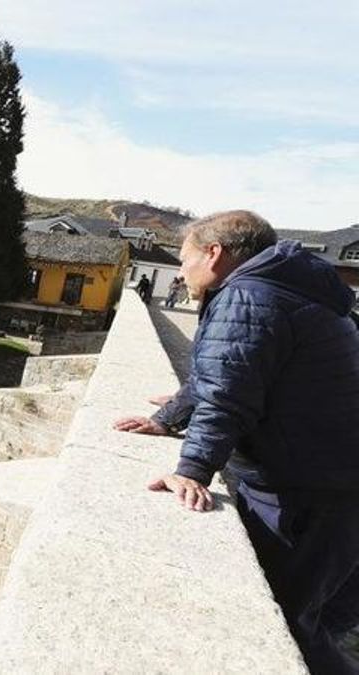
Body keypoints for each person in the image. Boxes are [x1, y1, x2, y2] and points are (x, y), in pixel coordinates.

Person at [114, 211, 359, 673]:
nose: (181, 270)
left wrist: (191, 470)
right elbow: (225, 372)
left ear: (214, 253)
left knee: (285, 629)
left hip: (310, 492)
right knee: (321, 619)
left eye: (184, 259)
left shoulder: (247, 297)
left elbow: (227, 395)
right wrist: (167, 419)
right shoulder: (281, 288)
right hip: (333, 481)